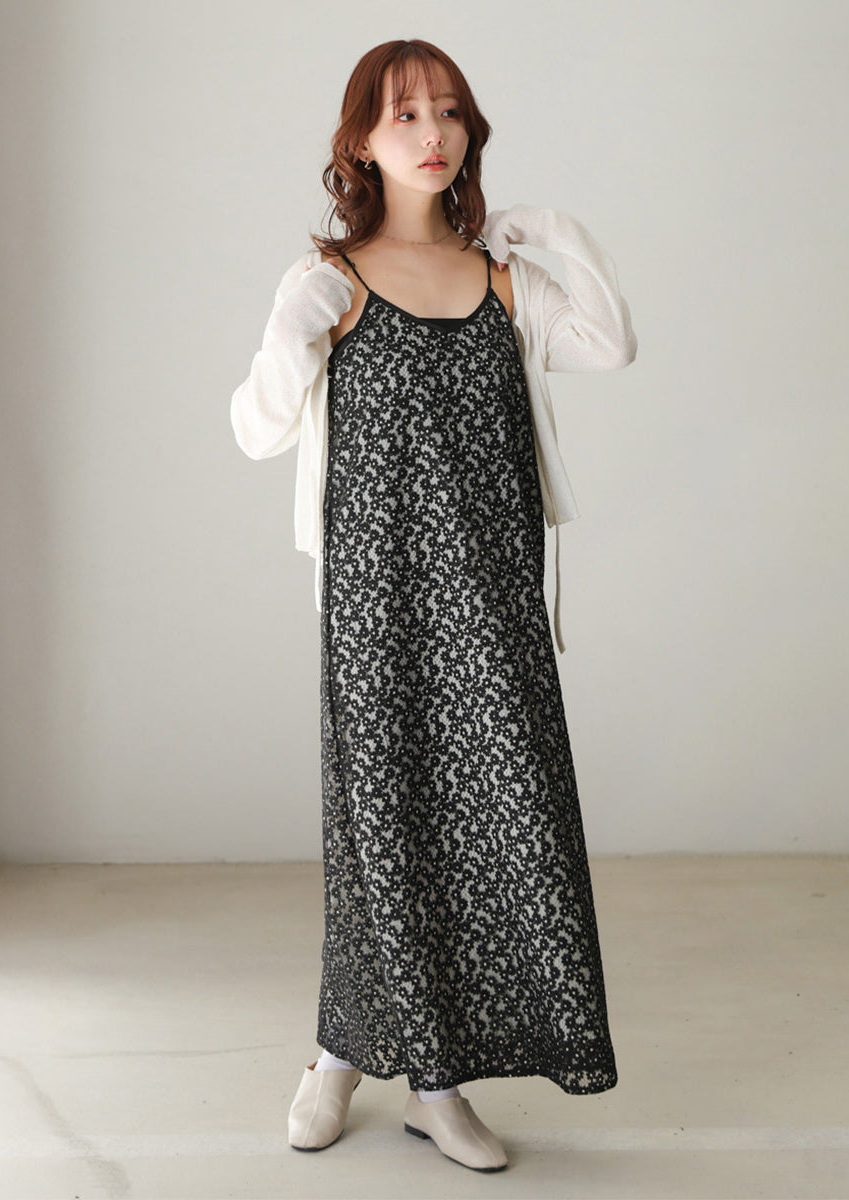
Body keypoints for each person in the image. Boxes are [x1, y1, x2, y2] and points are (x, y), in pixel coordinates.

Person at [230, 38, 637, 1173]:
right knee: (385, 834)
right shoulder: (332, 280)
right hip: (380, 607)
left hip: (494, 602)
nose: (432, 132)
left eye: (449, 111)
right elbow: (256, 429)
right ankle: (375, 1069)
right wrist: (295, 331)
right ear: (362, 141)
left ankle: (402, 1074)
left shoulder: (502, 281)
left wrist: (552, 231)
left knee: (502, 828)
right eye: (404, 114)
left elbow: (612, 343)